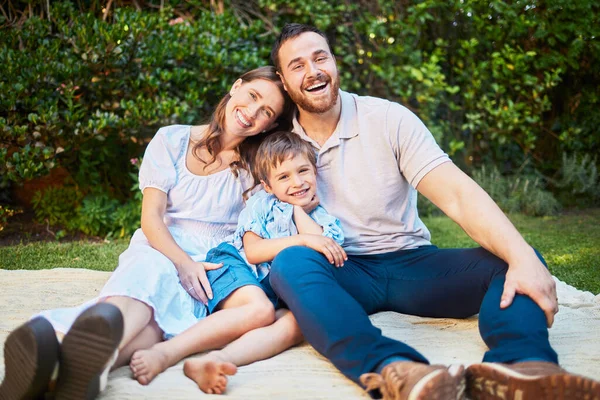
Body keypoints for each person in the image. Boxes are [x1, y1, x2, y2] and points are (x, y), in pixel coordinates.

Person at [267, 23, 600, 400]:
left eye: (319, 57)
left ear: (334, 61)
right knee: (291, 262)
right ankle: (394, 370)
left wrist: (522, 255)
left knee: (519, 259)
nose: (312, 71)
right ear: (283, 80)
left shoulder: (388, 119)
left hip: (413, 267)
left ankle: (523, 368)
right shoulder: (278, 146)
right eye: (297, 65)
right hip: (345, 269)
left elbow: (457, 195)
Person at [0, 66, 295, 400]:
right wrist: (182, 263)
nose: (251, 113)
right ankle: (76, 360)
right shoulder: (172, 139)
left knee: (160, 325)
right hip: (162, 244)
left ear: (271, 124)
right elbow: (151, 218)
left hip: (213, 261)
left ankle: (58, 361)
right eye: (252, 96)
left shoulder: (258, 168)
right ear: (236, 86)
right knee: (147, 284)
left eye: (266, 112)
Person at [128, 131, 346, 394]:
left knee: (297, 323)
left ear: (315, 172)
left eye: (303, 171)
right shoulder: (262, 204)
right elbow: (254, 252)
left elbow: (324, 250)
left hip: (272, 290)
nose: (297, 182)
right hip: (235, 265)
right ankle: (165, 353)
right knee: (259, 310)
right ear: (267, 185)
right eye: (284, 177)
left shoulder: (325, 220)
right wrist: (303, 240)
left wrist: (299, 211)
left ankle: (216, 360)